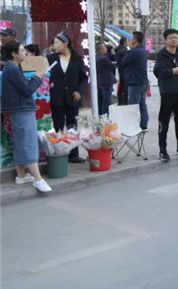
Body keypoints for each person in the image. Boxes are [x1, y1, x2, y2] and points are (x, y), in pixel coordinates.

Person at [1, 41, 52, 192]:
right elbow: (27, 90)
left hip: (18, 109)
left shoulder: (10, 68)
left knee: (20, 141)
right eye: (22, 50)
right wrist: (37, 77)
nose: (25, 53)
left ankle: (21, 175)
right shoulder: (12, 69)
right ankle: (38, 179)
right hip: (22, 109)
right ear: (13, 54)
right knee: (29, 142)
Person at [47, 32, 88, 163]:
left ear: (65, 44)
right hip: (57, 96)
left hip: (72, 97)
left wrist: (79, 91)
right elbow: (45, 74)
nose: (54, 45)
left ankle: (73, 154)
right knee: (58, 126)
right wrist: (49, 83)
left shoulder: (77, 59)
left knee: (72, 126)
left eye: (57, 43)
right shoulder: (51, 58)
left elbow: (84, 78)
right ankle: (60, 153)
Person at [153, 29, 178, 162]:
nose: (174, 40)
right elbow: (160, 72)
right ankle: (162, 150)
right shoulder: (161, 55)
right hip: (167, 92)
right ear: (165, 40)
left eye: (175, 37)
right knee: (164, 123)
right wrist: (174, 70)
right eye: (171, 38)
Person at [125, 31, 149, 130]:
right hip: (142, 81)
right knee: (142, 104)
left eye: (131, 38)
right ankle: (143, 124)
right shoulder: (143, 50)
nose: (130, 40)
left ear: (135, 39)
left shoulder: (134, 52)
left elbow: (124, 61)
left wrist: (128, 49)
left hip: (135, 81)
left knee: (133, 105)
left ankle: (133, 124)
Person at [94, 42, 117, 117]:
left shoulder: (96, 57)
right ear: (101, 49)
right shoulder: (103, 58)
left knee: (101, 100)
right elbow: (112, 66)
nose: (106, 49)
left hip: (100, 81)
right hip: (106, 82)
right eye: (104, 48)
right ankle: (105, 116)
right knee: (106, 101)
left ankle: (101, 115)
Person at [115, 37, 129, 105]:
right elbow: (126, 61)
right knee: (125, 87)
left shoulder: (117, 50)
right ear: (124, 42)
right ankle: (124, 101)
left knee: (121, 86)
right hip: (125, 71)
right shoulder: (124, 51)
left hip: (120, 70)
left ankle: (120, 100)